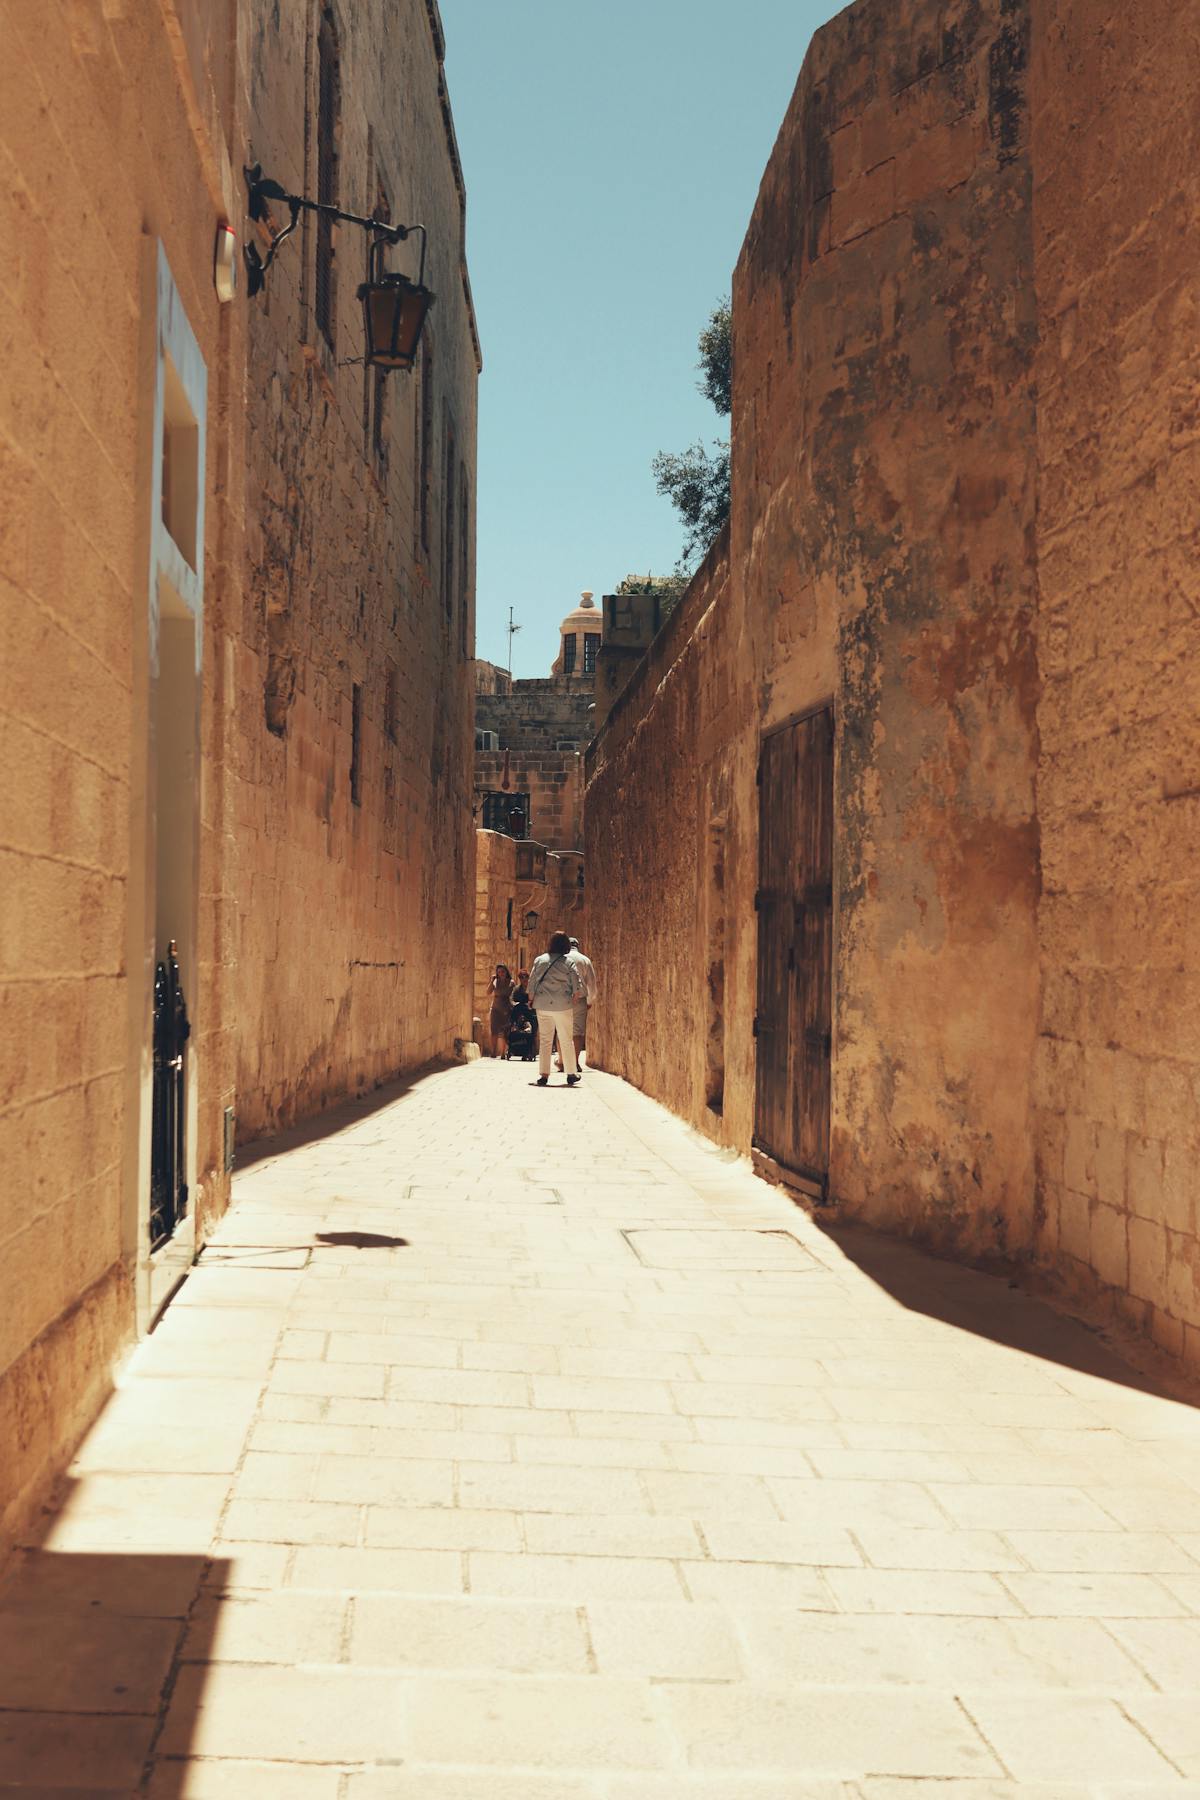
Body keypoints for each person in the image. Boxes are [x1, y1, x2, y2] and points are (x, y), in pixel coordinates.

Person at [527, 931, 584, 1086]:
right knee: (566, 1039)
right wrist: (574, 998)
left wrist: (531, 999)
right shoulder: (568, 963)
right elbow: (577, 984)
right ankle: (571, 1073)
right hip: (563, 1006)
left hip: (543, 1005)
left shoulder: (539, 961)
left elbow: (531, 983)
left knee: (545, 1040)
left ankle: (544, 1075)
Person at [556, 936, 597, 1071]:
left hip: (562, 999)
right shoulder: (585, 960)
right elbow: (591, 983)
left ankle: (562, 1062)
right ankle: (574, 1063)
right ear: (578, 946)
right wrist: (590, 1001)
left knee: (562, 1030)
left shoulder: (560, 959)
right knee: (577, 1033)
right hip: (580, 999)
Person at [487, 963, 513, 1059]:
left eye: (502, 971)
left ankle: (503, 1052)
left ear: (506, 972)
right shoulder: (495, 982)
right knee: (494, 1030)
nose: (501, 973)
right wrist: (491, 981)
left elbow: (509, 994)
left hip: (505, 1008)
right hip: (495, 1008)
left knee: (504, 1031)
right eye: (499, 972)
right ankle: (493, 1051)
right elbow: (488, 992)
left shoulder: (511, 982)